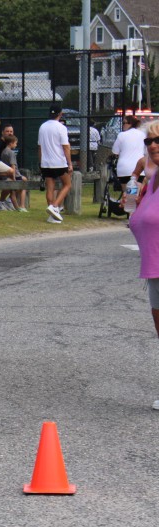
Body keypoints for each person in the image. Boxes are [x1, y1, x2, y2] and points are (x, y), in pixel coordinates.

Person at [126, 121, 159, 411]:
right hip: (153, 268)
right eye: (149, 141)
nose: (153, 145)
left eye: (158, 140)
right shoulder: (152, 180)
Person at [37, 105, 73, 224]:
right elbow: (66, 147)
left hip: (46, 163)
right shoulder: (61, 127)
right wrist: (69, 163)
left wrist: (41, 162)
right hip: (58, 162)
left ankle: (52, 216)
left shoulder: (42, 127)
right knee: (67, 184)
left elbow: (39, 147)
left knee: (50, 187)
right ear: (60, 114)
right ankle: (55, 206)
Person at [112, 115, 147, 185]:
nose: (123, 125)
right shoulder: (143, 134)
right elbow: (146, 151)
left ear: (130, 124)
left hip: (124, 169)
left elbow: (115, 151)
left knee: (126, 190)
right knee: (139, 189)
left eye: (124, 123)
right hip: (140, 169)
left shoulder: (121, 135)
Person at [0, 134, 29, 212]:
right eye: (15, 143)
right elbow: (13, 166)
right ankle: (21, 206)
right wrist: (14, 177)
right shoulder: (11, 153)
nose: (16, 145)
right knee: (24, 184)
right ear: (10, 143)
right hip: (14, 174)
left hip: (6, 174)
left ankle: (12, 205)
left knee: (13, 191)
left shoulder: (3, 152)